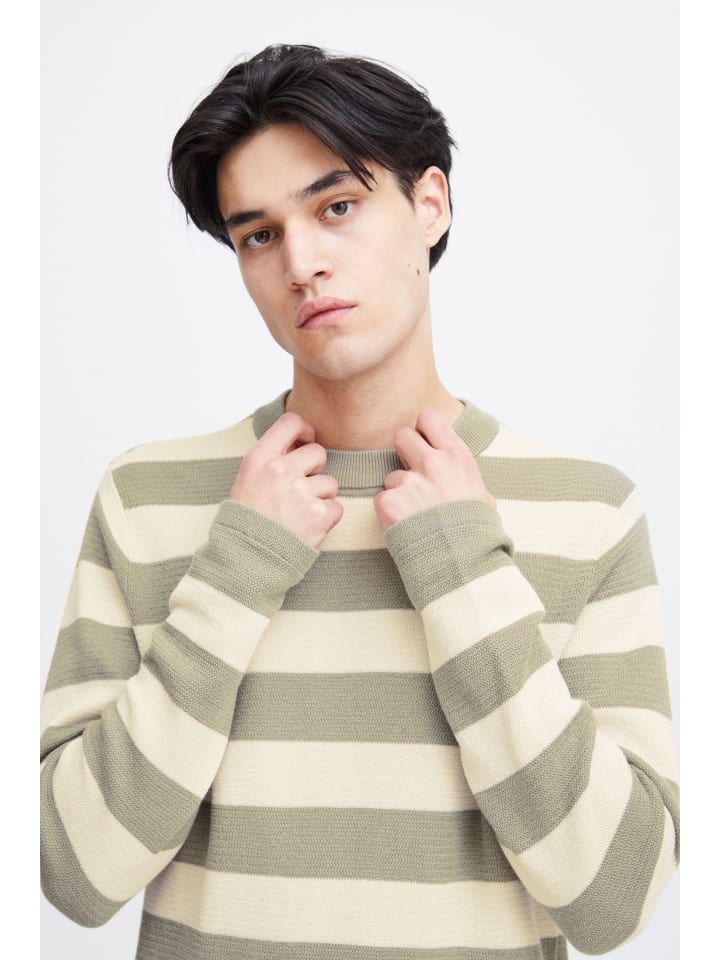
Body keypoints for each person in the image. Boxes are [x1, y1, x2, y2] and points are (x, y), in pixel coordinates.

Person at [40, 43, 679, 959]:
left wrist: (462, 566)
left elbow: (613, 900)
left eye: (336, 207)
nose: (301, 263)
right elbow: (73, 873)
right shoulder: (146, 500)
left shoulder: (589, 512)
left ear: (430, 205)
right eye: (259, 235)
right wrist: (234, 574)